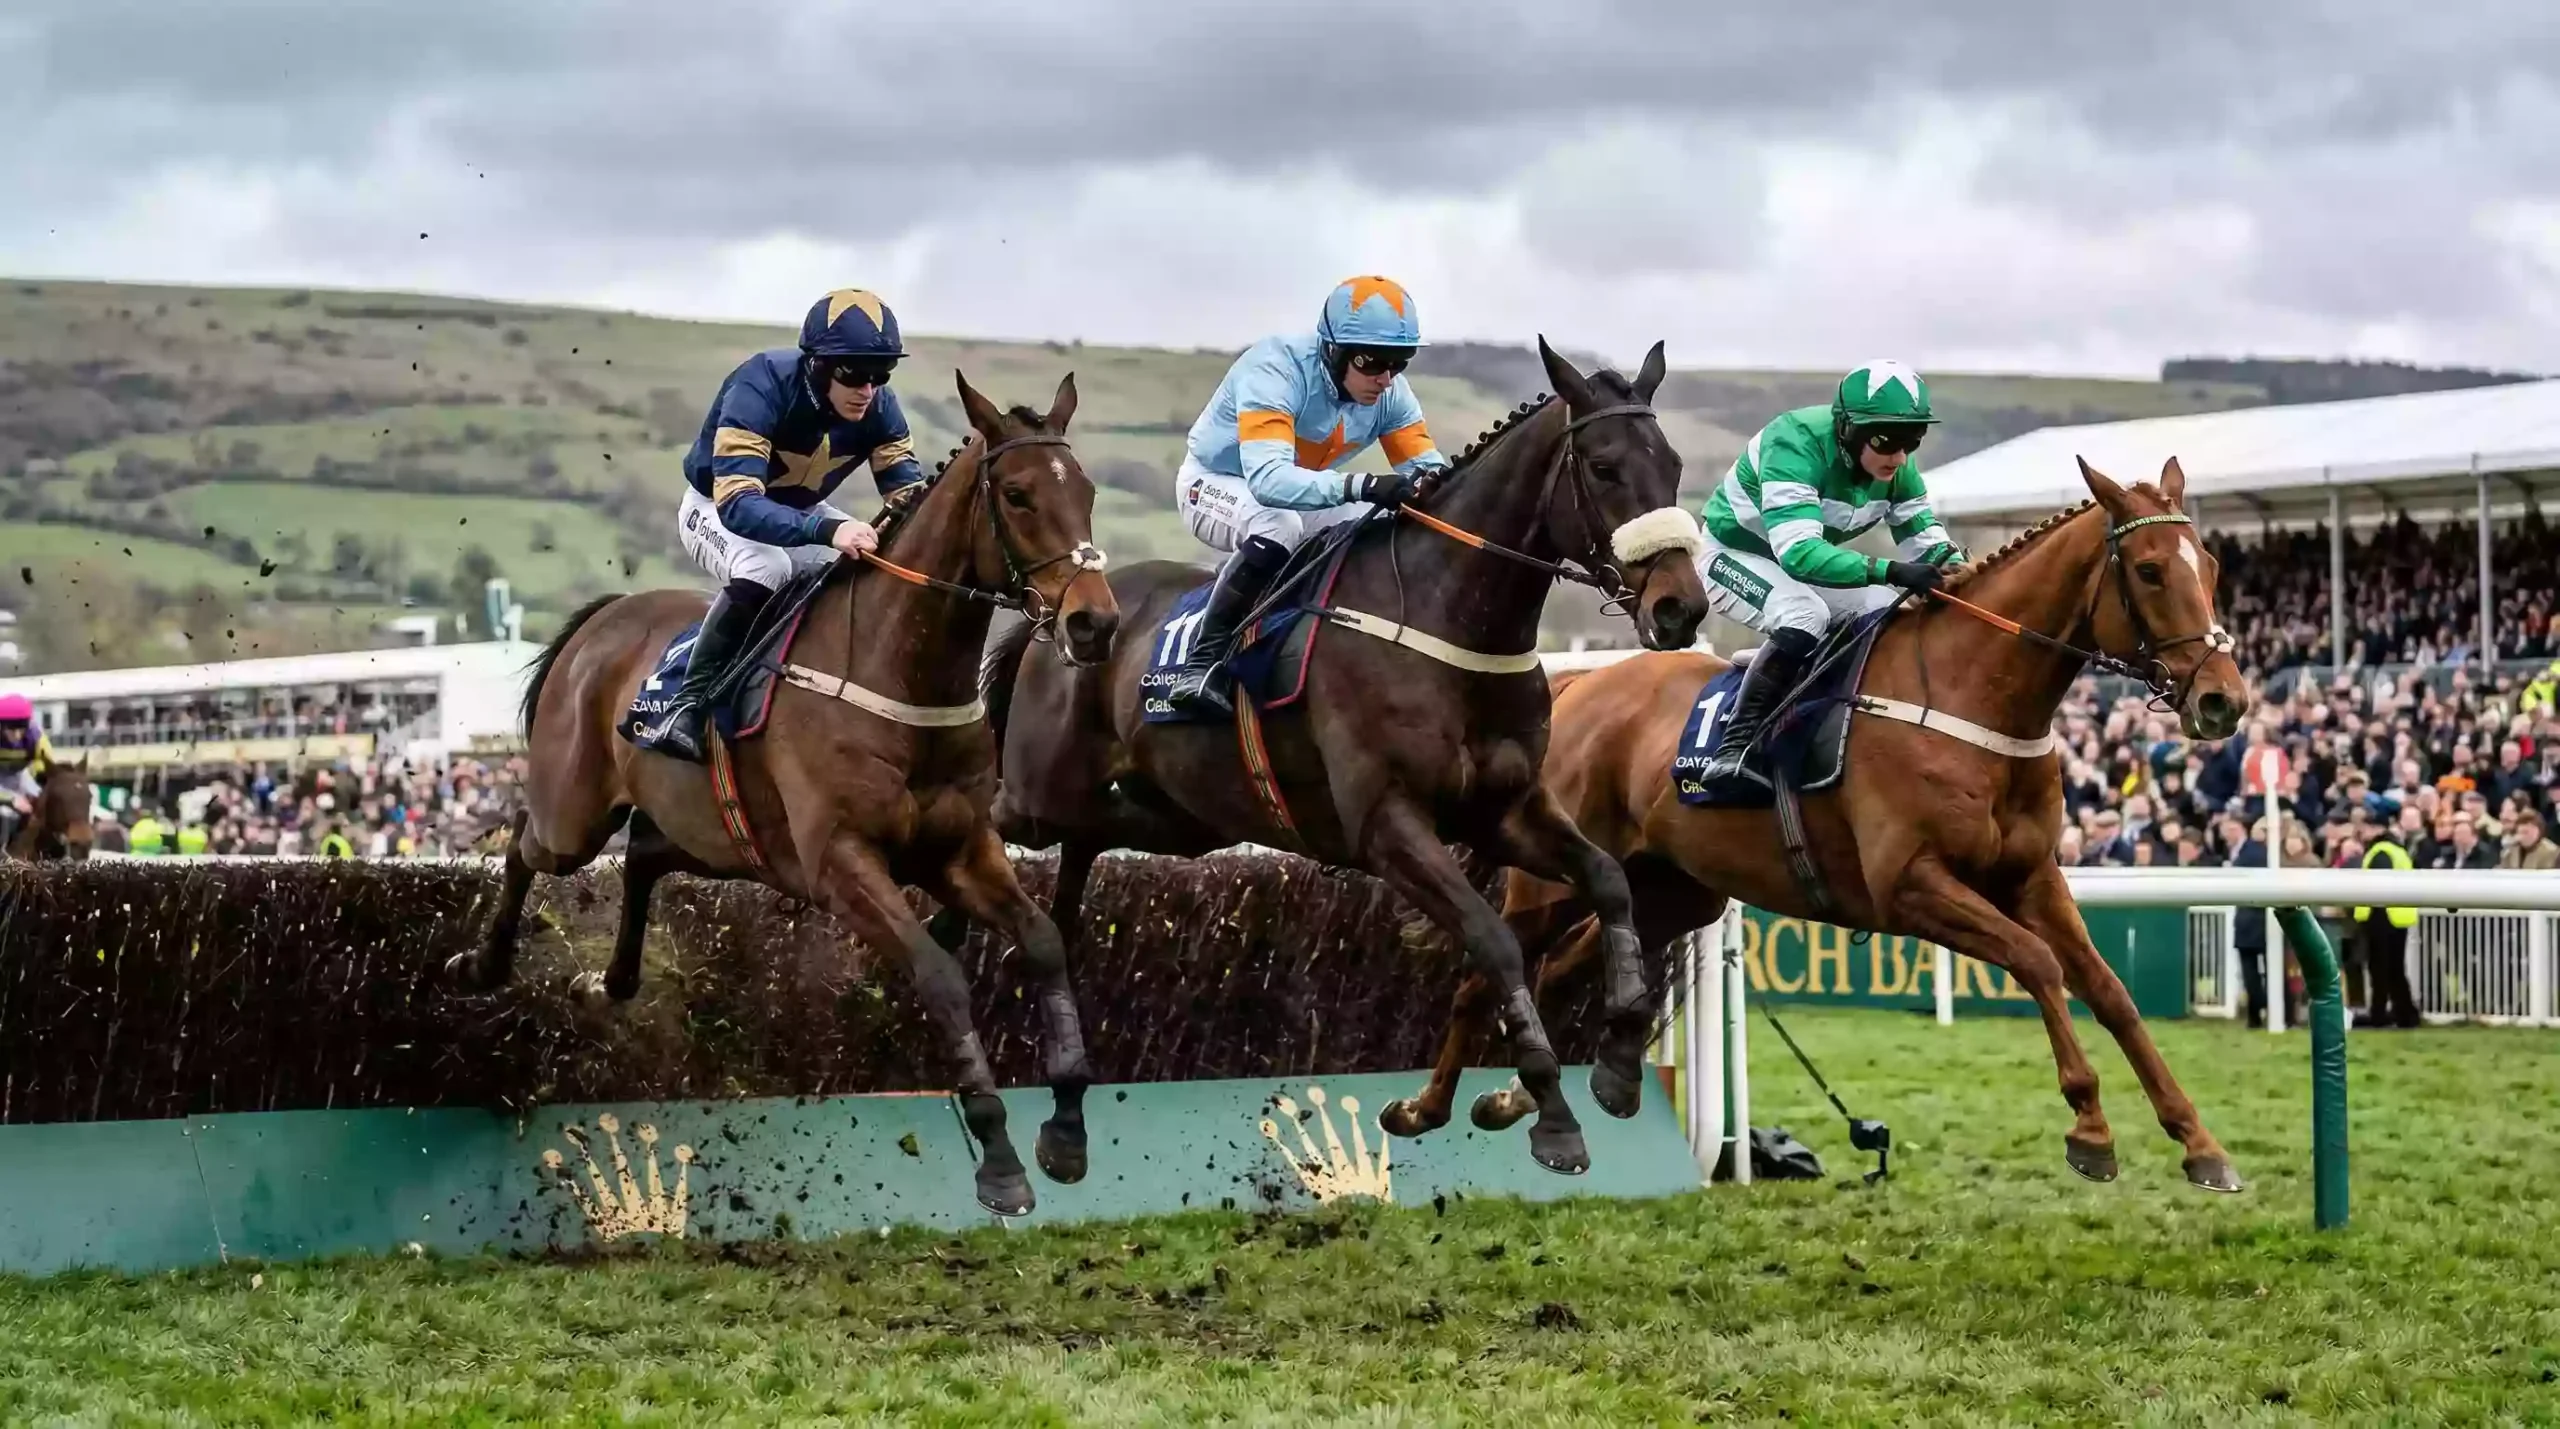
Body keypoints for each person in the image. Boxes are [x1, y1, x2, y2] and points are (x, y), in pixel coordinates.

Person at [634, 288, 928, 763]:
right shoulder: (761, 384)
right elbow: (740, 507)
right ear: (817, 364)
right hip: (717, 504)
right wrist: (829, 532)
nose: (867, 389)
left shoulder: (880, 405)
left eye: (881, 373)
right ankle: (687, 705)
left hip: (802, 507)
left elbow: (907, 498)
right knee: (766, 569)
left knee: (874, 566)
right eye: (854, 372)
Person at [1162, 276, 1450, 716]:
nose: (1386, 379)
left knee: (1380, 524)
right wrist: (1363, 484)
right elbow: (1269, 482)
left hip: (1296, 493)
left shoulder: (1391, 395)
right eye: (1373, 363)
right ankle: (1202, 662)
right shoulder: (1274, 370)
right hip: (1215, 483)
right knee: (1278, 524)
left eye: (1400, 363)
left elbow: (1429, 472)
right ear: (1334, 352)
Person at [1692, 362, 1972, 787]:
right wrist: (1892, 570)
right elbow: (1800, 554)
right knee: (1805, 616)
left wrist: (1961, 567)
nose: (1898, 456)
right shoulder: (1795, 444)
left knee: (1884, 609)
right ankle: (1735, 748)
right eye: (1885, 441)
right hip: (1731, 555)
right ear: (1847, 429)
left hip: (1800, 562)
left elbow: (1926, 540)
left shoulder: (1899, 469)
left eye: (1912, 441)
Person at [2351, 823, 2422, 1028]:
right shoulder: (2396, 850)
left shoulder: (2380, 851)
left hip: (2382, 919)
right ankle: (2404, 1014)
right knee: (2394, 971)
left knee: (2381, 971)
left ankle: (2381, 1015)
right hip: (2395, 917)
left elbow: (2377, 888)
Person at [0, 693, 54, 849]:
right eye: (11, 730)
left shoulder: (36, 736)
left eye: (21, 729)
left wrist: (40, 778)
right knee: (4, 813)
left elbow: (48, 765)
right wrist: (10, 799)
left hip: (19, 774)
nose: (17, 735)